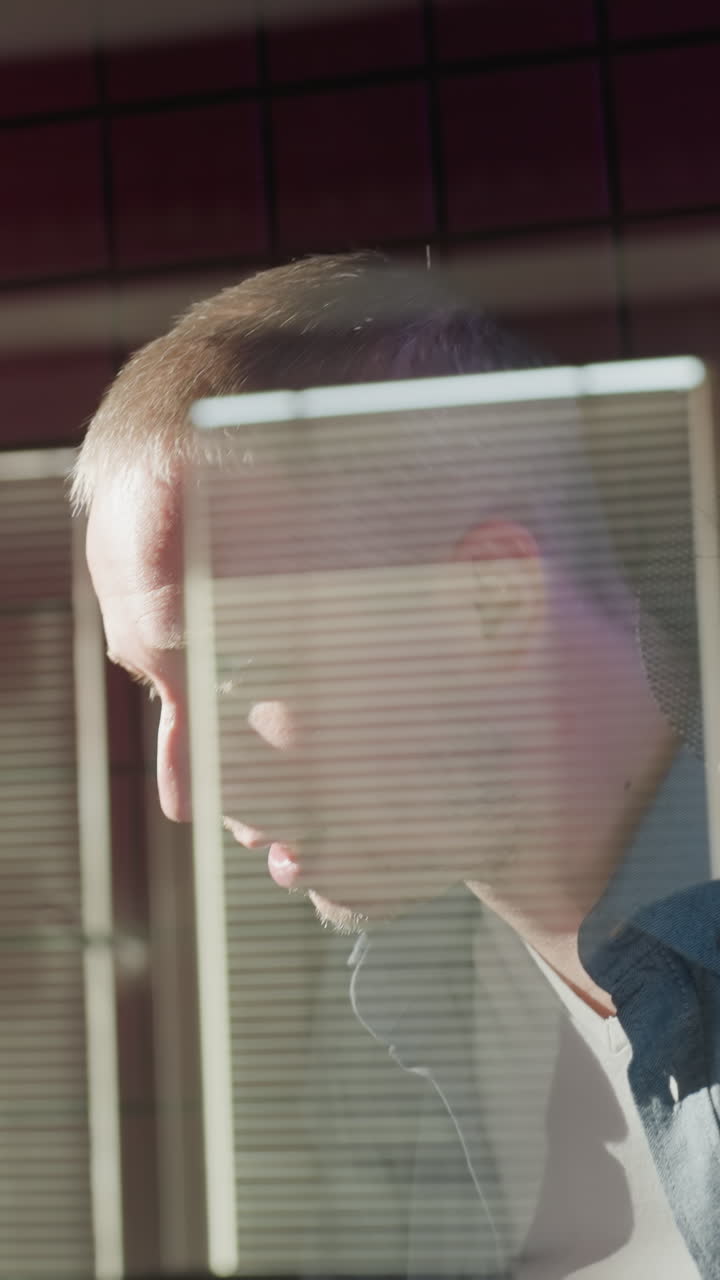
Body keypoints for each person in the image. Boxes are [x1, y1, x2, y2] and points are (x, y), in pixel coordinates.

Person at [72, 253, 715, 1278]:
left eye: (237, 666)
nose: (180, 790)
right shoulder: (389, 1007)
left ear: (493, 602)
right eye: (153, 688)